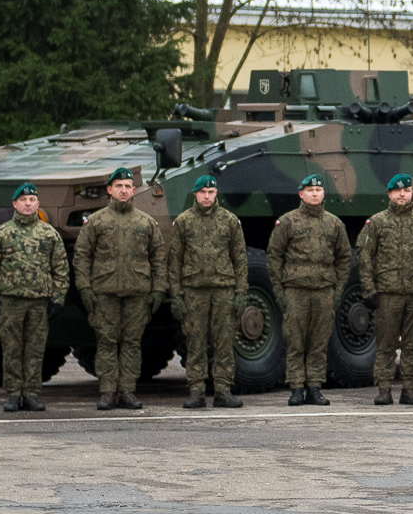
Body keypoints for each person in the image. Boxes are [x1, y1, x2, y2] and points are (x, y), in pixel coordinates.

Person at [73, 167, 166, 411]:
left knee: (131, 343)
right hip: (104, 293)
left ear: (133, 190)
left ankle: (127, 391)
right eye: (118, 186)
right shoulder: (96, 221)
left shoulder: (145, 222)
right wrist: (85, 288)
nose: (123, 190)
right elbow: (82, 256)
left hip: (137, 294)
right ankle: (107, 392)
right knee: (106, 342)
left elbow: (158, 258)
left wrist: (158, 290)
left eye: (127, 186)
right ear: (109, 190)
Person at [355, 173, 413, 406]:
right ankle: (384, 390)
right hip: (387, 295)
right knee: (386, 344)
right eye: (397, 191)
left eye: (406, 190)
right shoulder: (377, 223)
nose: (402, 194)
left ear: (412, 193)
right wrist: (369, 290)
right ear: (389, 194)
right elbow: (364, 256)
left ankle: (409, 390)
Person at [0, 182, 68, 412]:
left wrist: (57, 299)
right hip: (10, 301)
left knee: (35, 349)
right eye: (23, 200)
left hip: (39, 302)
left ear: (38, 204)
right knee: (11, 349)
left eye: (32, 200)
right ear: (15, 204)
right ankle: (12, 393)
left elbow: (60, 269)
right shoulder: (2, 233)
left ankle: (31, 393)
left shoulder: (49, 234)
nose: (28, 204)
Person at [266, 172, 351, 406]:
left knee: (318, 342)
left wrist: (337, 290)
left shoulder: (334, 223)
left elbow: (344, 258)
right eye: (310, 190)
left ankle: (314, 387)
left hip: (324, 291)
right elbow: (274, 257)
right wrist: (279, 292)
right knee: (295, 341)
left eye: (319, 190)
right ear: (301, 194)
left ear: (324, 193)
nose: (315, 194)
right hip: (296, 291)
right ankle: (295, 388)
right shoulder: (288, 222)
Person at [171, 173, 248, 409]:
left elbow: (240, 259)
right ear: (195, 194)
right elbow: (174, 261)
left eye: (211, 192)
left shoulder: (229, 220)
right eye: (202, 192)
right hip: (194, 291)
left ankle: (223, 390)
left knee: (224, 342)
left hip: (224, 290)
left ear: (216, 194)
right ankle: (197, 391)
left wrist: (241, 292)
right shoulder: (183, 222)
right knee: (195, 343)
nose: (207, 196)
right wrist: (176, 296)